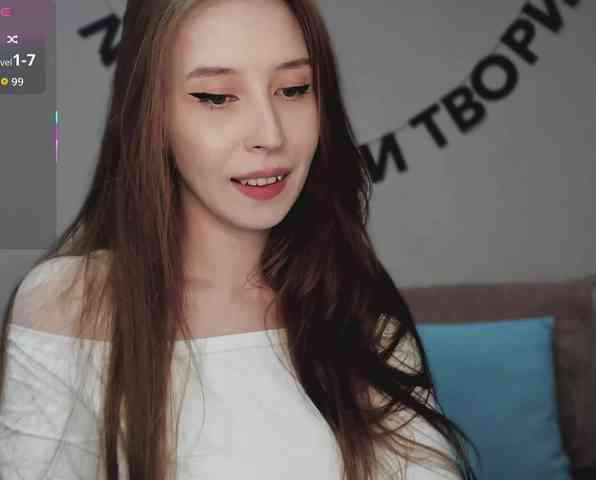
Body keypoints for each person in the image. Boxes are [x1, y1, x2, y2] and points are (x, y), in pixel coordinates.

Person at [0, 0, 479, 478]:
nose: (270, 134)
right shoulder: (70, 302)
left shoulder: (354, 309)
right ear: (152, 114)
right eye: (216, 97)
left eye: (293, 89)